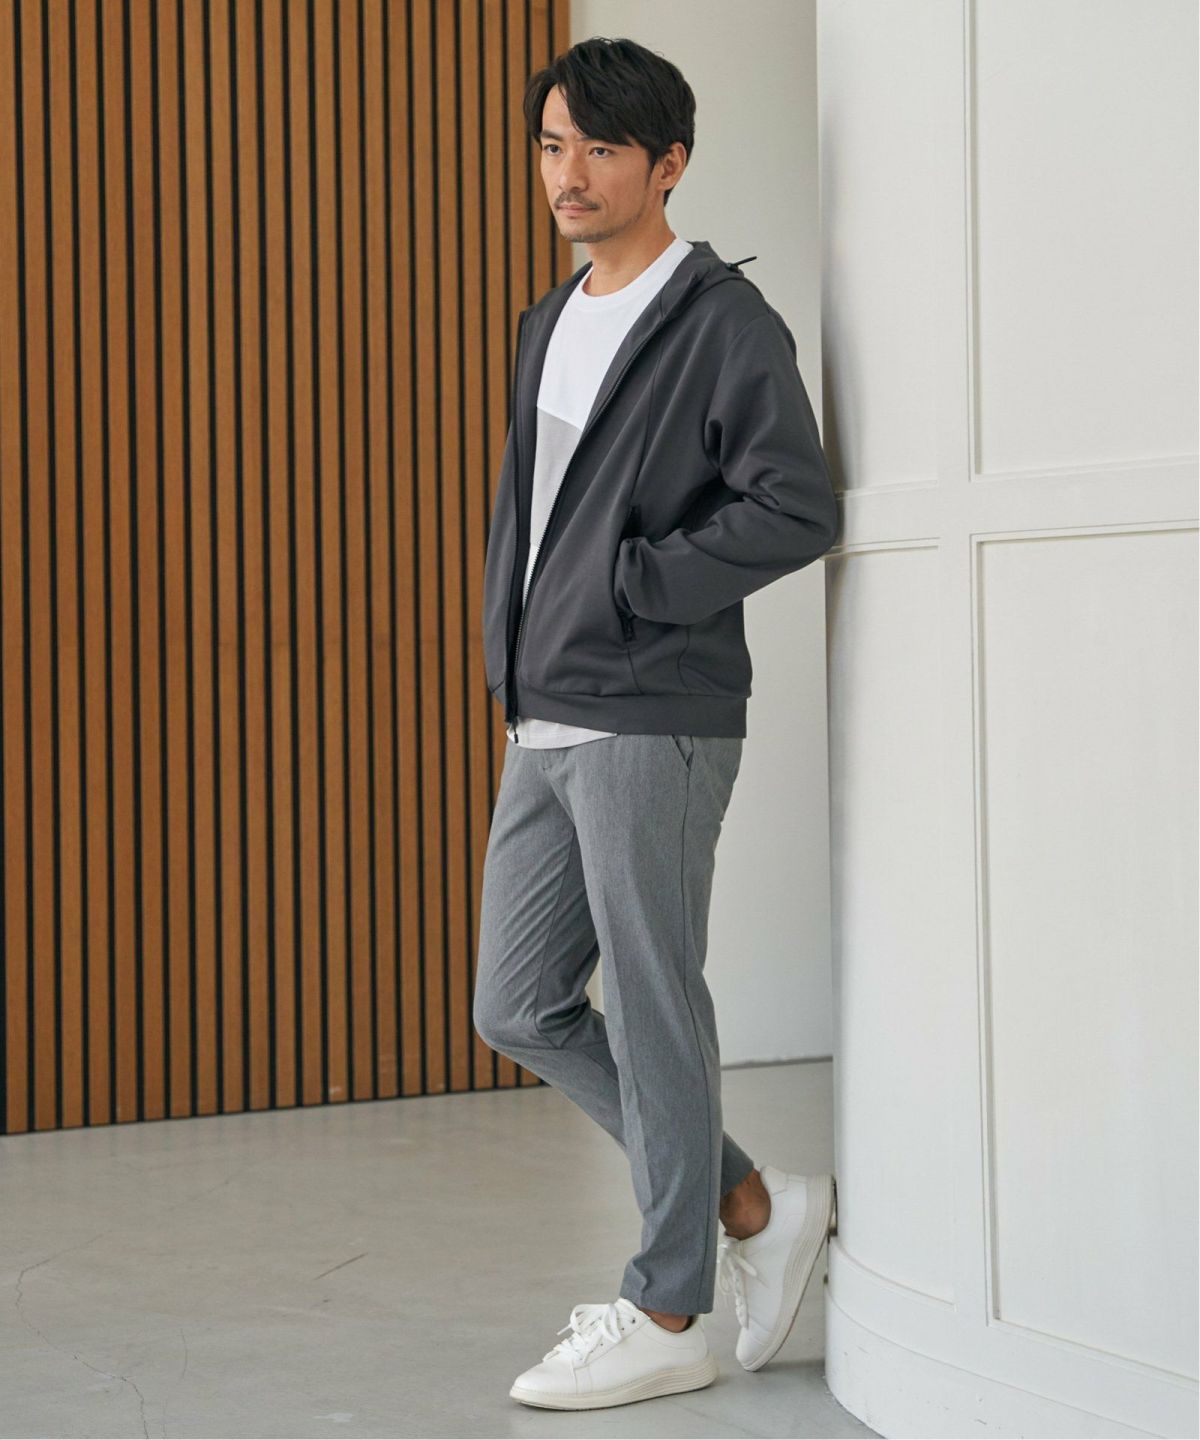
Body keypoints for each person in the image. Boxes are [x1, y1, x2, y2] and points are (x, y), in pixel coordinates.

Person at [473, 35, 839, 1412]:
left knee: (651, 1004)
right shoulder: (549, 318)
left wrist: (636, 588)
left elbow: (794, 503)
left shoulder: (721, 323)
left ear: (668, 163)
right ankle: (751, 1204)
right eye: (552, 145)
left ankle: (670, 1307)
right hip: (549, 710)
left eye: (601, 149)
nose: (568, 174)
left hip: (655, 713)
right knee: (516, 1003)